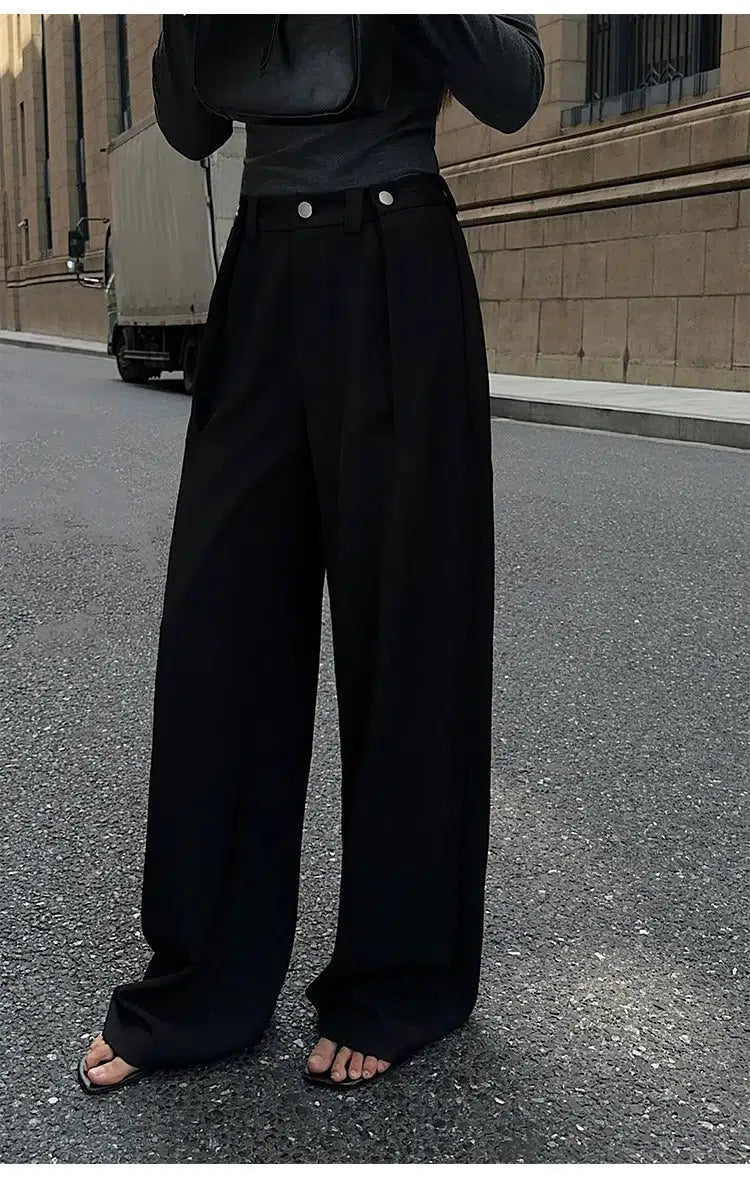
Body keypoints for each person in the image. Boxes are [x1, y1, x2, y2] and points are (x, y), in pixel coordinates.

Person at [79, 14, 544, 1093]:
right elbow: (192, 127)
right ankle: (203, 981)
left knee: (409, 629)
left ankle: (399, 975)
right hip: (262, 268)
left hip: (399, 254)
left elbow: (516, 87)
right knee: (221, 631)